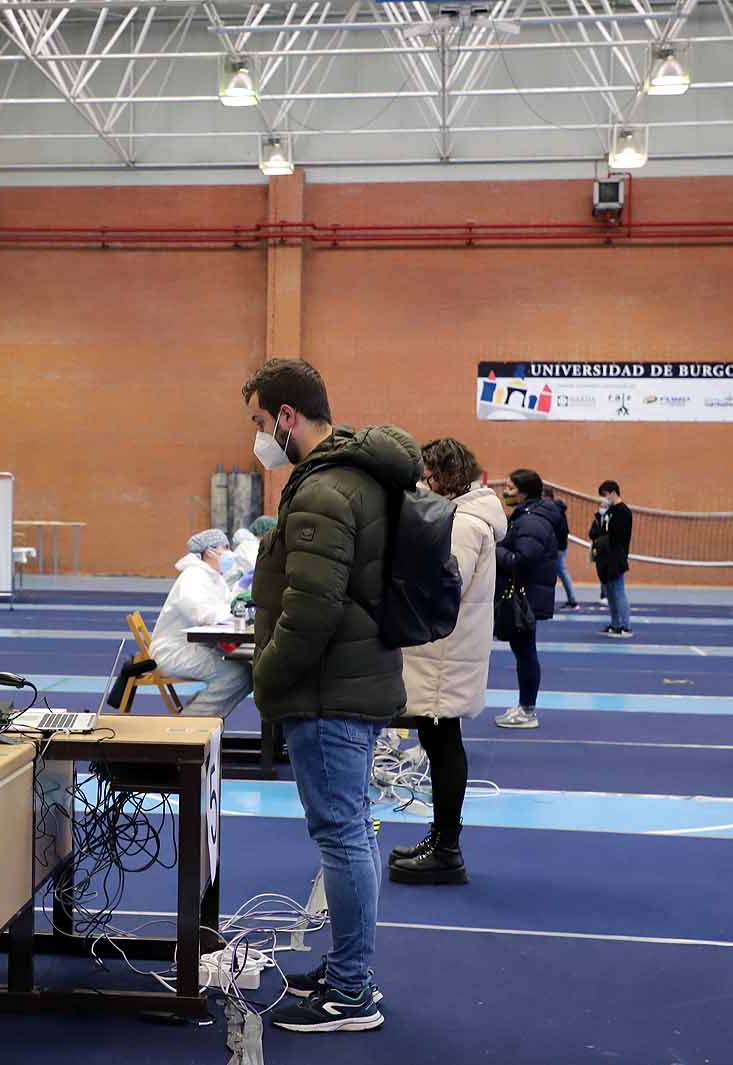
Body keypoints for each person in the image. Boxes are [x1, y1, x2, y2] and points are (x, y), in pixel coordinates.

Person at [242, 357, 417, 1034]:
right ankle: (350, 970)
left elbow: (310, 609)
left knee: (342, 836)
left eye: (260, 421)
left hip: (328, 691)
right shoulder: (354, 477)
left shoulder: (322, 489)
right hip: (354, 679)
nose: (259, 436)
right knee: (350, 833)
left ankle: (351, 994)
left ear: (288, 415)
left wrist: (266, 676)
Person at [389, 439, 505, 885]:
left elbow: (442, 584)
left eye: (424, 476)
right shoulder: (466, 518)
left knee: (443, 744)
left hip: (444, 653)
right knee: (440, 745)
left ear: (439, 477)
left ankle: (447, 849)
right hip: (444, 650)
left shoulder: (462, 523)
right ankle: (440, 839)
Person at [148, 528, 253, 718]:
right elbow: (203, 614)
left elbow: (226, 604)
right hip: (175, 651)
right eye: (225, 547)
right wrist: (237, 611)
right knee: (236, 675)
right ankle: (190, 725)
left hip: (196, 646)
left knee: (248, 671)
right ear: (209, 551)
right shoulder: (193, 577)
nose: (229, 552)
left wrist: (240, 588)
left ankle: (201, 713)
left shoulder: (213, 577)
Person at [493, 470, 562, 730]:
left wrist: (493, 547)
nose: (506, 491)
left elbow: (521, 560)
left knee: (525, 652)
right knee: (523, 650)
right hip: (525, 595)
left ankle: (527, 709)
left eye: (510, 487)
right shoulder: (527, 516)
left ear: (524, 491)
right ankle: (525, 706)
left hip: (525, 598)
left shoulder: (532, 521)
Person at [589, 480, 634, 638]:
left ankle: (625, 626)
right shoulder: (607, 512)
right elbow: (595, 532)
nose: (603, 499)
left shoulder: (623, 512)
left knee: (618, 590)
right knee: (609, 592)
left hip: (616, 556)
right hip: (604, 557)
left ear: (613, 493)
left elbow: (616, 536)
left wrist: (603, 536)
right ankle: (615, 624)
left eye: (605, 495)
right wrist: (600, 517)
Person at [543, 488, 578, 610]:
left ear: (548, 497)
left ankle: (572, 600)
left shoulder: (554, 511)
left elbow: (562, 531)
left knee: (561, 572)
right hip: (558, 547)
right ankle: (572, 600)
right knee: (561, 573)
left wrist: (558, 547)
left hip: (557, 548)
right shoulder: (557, 510)